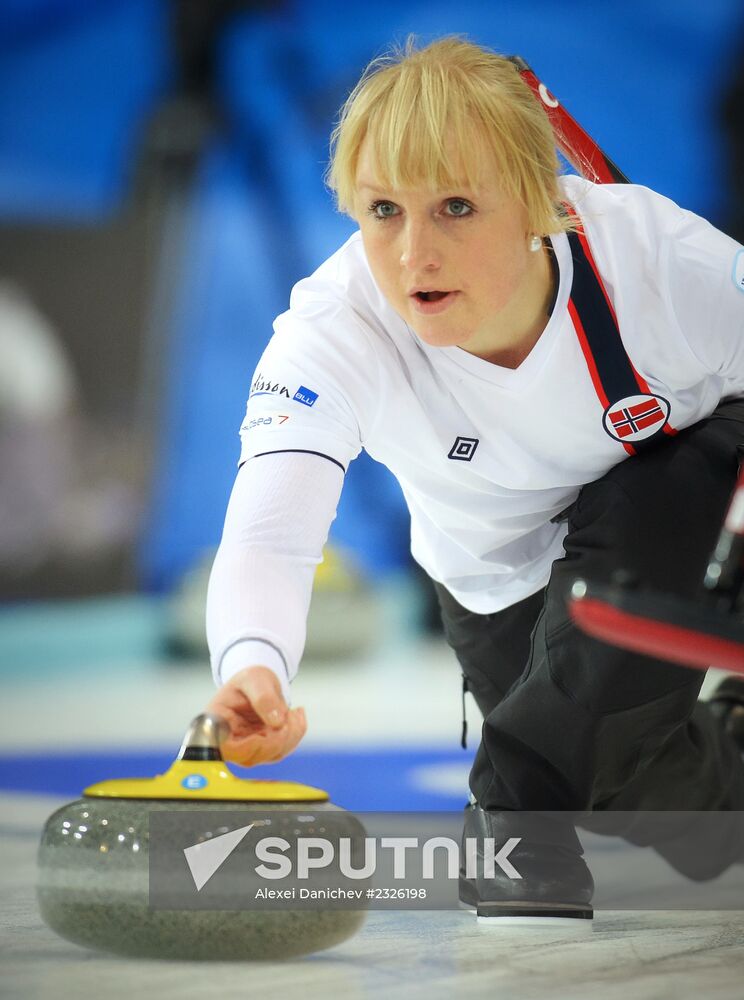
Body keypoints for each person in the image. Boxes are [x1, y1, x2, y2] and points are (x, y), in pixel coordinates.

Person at [204, 36, 744, 921]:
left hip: (685, 509)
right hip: (497, 578)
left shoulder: (660, 260)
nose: (414, 254)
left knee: (645, 512)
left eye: (455, 206)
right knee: (653, 795)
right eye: (382, 211)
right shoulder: (330, 335)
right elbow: (270, 530)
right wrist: (253, 663)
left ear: (539, 201)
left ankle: (512, 818)